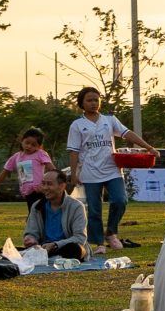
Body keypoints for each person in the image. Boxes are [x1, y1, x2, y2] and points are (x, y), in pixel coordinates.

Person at [63, 88, 152, 255]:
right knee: (95, 209)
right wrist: (74, 174)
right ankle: (99, 243)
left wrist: (148, 147)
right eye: (89, 100)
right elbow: (73, 152)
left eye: (96, 100)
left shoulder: (109, 120)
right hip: (90, 172)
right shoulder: (77, 125)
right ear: (81, 103)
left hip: (112, 169)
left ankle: (111, 233)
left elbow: (128, 134)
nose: (93, 103)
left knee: (120, 200)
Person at [24, 171, 90, 257]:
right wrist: (30, 239)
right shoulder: (37, 206)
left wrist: (55, 244)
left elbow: (80, 238)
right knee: (5, 252)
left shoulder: (76, 206)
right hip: (44, 249)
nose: (45, 188)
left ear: (62, 186)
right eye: (43, 184)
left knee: (75, 249)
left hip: (66, 248)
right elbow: (31, 232)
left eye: (49, 184)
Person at [1, 128, 57, 203]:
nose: (29, 146)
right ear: (22, 141)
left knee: (41, 213)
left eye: (33, 145)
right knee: (33, 213)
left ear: (39, 146)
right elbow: (5, 171)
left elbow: (52, 169)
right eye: (27, 143)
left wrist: (57, 184)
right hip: (27, 192)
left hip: (39, 191)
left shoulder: (40, 154)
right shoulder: (16, 157)